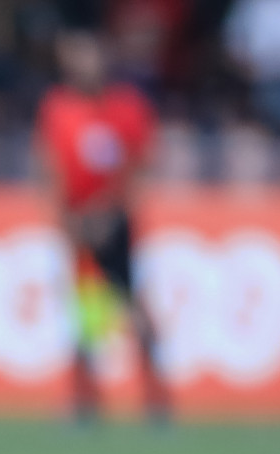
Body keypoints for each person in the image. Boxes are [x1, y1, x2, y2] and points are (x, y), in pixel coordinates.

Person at [36, 29, 171, 424]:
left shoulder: (126, 107)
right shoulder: (58, 108)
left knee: (136, 310)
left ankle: (157, 401)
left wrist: (109, 212)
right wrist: (66, 220)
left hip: (117, 226)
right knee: (85, 317)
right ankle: (85, 402)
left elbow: (139, 167)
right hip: (78, 229)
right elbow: (50, 167)